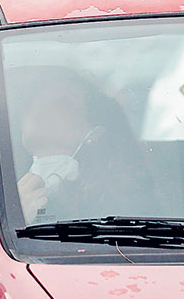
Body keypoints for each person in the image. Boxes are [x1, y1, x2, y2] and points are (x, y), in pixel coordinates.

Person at [14, 68, 152, 224]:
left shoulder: (114, 199)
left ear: (94, 133)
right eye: (35, 98)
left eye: (62, 101)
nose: (40, 106)